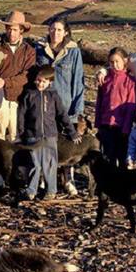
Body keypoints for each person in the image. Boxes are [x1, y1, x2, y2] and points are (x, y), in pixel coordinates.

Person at [35, 18, 85, 195]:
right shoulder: (40, 49)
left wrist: (78, 110)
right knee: (45, 141)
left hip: (66, 104)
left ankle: (67, 178)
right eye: (52, 29)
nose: (55, 33)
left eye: (59, 30)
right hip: (45, 104)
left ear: (65, 32)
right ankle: (43, 178)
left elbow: (78, 81)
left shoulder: (73, 52)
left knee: (67, 143)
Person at [17, 66, 81, 201]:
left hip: (50, 135)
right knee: (34, 163)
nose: (40, 84)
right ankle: (31, 190)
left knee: (50, 163)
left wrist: (72, 132)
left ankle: (51, 190)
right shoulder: (29, 94)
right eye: (38, 81)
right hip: (32, 135)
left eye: (44, 82)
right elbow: (21, 114)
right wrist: (21, 132)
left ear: (50, 82)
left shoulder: (53, 95)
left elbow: (62, 114)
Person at [0, 10, 36, 141]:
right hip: (0, 96)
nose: (12, 33)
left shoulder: (29, 51)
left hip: (19, 98)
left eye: (15, 30)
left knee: (16, 135)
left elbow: (26, 75)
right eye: (9, 29)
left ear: (21, 30)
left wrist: (5, 82)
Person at [95, 47, 136, 168]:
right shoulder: (105, 79)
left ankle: (123, 185)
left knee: (122, 157)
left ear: (125, 61)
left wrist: (126, 127)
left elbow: (131, 105)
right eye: (112, 62)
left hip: (121, 126)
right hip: (106, 124)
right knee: (108, 157)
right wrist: (98, 122)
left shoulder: (130, 81)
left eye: (117, 61)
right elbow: (99, 102)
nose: (115, 65)